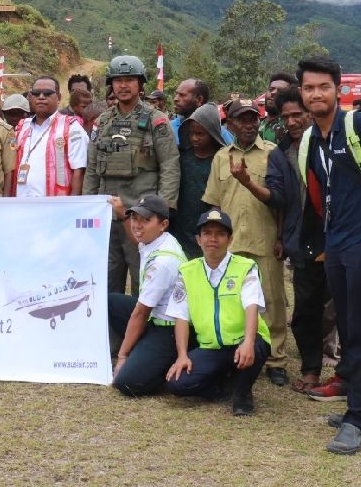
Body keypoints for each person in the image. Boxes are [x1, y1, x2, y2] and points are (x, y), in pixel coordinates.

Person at [295, 56, 361, 455]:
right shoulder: (312, 138)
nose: (316, 94)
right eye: (309, 88)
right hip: (337, 244)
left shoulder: (360, 124)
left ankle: (359, 420)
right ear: (302, 93)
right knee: (355, 326)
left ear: (338, 89)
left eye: (323, 86)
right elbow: (320, 193)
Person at [203, 98, 290, 387]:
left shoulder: (272, 153)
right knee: (233, 303)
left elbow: (280, 202)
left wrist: (280, 236)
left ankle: (276, 359)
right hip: (231, 243)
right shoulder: (221, 158)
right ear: (230, 124)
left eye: (254, 118)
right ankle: (237, 354)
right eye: (242, 119)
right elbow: (214, 203)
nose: (250, 124)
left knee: (273, 301)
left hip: (264, 238)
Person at [84, 55, 179, 296]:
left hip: (142, 217)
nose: (123, 86)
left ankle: (142, 333)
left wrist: (164, 208)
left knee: (143, 282)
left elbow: (169, 163)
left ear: (140, 84)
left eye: (129, 80)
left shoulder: (156, 120)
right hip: (107, 216)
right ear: (111, 85)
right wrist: (87, 205)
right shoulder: (103, 122)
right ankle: (112, 334)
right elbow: (93, 168)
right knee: (106, 283)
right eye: (118, 80)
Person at [166, 209, 271, 416]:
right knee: (177, 384)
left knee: (256, 347)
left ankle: (242, 395)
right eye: (207, 233)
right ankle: (223, 385)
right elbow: (181, 316)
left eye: (220, 234)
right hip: (211, 346)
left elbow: (252, 306)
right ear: (198, 239)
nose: (212, 239)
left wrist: (248, 342)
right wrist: (182, 356)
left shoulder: (246, 267)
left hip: (243, 340)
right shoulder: (187, 271)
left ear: (229, 239)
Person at [265, 87, 330, 394]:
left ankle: (347, 371)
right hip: (303, 240)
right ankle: (311, 368)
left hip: (337, 236)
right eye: (286, 116)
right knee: (305, 309)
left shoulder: (330, 143)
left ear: (309, 112)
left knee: (342, 306)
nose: (291, 121)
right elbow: (278, 199)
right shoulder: (279, 154)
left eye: (297, 114)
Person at [109, 195, 186, 397]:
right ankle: (143, 351)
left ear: (163, 224)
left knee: (126, 383)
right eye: (135, 218)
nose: (138, 225)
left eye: (146, 220)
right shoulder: (157, 240)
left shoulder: (163, 262)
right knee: (109, 302)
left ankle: (160, 364)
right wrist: (122, 216)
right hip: (155, 318)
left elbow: (141, 313)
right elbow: (137, 241)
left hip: (168, 329)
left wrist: (123, 356)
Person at [12, 76, 88, 198]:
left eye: (47, 93)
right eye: (36, 93)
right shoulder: (22, 127)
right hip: (21, 205)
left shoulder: (71, 127)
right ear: (30, 97)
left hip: (56, 208)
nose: (41, 97)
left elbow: (79, 172)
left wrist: (73, 208)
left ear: (59, 98)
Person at [172, 102, 225, 259]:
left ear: (212, 133)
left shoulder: (221, 158)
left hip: (208, 222)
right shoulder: (182, 157)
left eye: (200, 134)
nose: (195, 138)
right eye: (192, 133)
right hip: (181, 223)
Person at [260, 73, 297, 143]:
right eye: (271, 89)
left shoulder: (291, 127)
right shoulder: (257, 124)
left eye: (280, 91)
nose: (273, 93)